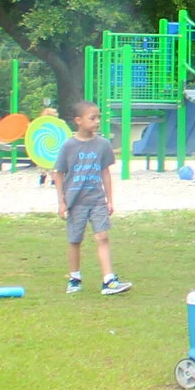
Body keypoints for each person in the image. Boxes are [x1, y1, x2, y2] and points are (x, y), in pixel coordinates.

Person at [55, 101, 131, 295]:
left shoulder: (102, 144)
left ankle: (108, 281)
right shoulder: (68, 146)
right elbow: (59, 174)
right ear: (78, 121)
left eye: (99, 117)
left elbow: (105, 172)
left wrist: (110, 200)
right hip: (75, 201)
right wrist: (62, 202)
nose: (97, 121)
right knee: (75, 240)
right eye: (92, 118)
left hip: (97, 200)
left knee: (103, 237)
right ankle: (74, 278)